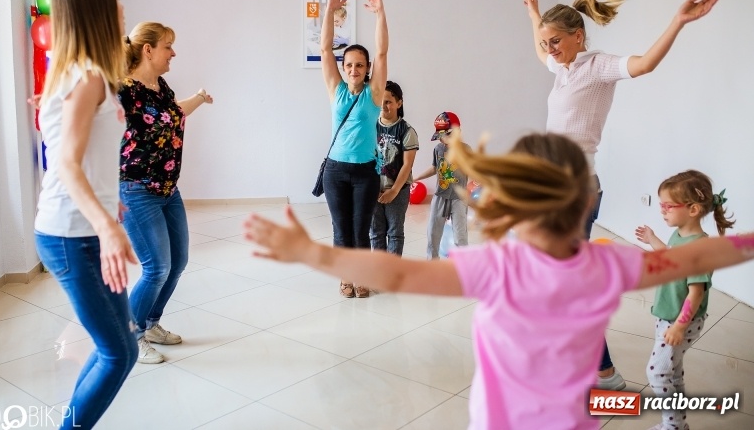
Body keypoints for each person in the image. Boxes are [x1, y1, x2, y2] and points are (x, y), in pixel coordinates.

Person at [244, 131, 754, 430]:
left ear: (510, 200)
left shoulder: (497, 266)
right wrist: (748, 243)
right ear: (584, 203)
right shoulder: (608, 264)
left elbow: (395, 270)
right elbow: (694, 258)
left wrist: (313, 253)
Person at [523, 0, 721, 389]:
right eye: (546, 43)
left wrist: (678, 21)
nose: (550, 49)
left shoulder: (598, 67)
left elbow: (646, 63)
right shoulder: (561, 67)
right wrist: (535, 16)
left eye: (556, 41)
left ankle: (602, 372)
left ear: (579, 35)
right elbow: (542, 48)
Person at [33, 0, 137, 429]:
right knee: (118, 352)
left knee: (118, 347)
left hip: (81, 228)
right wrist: (107, 226)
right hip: (70, 234)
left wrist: (106, 203)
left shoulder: (90, 73)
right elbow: (67, 164)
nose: (122, 5)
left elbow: (83, 156)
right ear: (97, 8)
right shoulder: (88, 76)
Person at [120, 22, 214, 364]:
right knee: (156, 267)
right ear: (148, 50)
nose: (173, 52)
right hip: (136, 190)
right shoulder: (124, 90)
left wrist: (201, 98)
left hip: (168, 189)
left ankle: (150, 322)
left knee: (178, 262)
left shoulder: (158, 85)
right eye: (167, 46)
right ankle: (130, 335)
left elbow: (172, 115)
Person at [635, 170, 735, 430]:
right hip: (668, 316)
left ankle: (672, 426)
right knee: (672, 372)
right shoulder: (680, 235)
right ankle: (677, 424)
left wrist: (679, 326)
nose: (662, 211)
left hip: (681, 321)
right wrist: (652, 239)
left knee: (657, 372)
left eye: (668, 206)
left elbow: (696, 292)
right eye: (661, 205)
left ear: (693, 209)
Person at [319, 0, 388, 299]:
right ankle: (345, 278)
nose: (354, 69)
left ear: (367, 69)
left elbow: (383, 51)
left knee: (362, 230)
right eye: (349, 65)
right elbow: (324, 49)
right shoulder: (337, 90)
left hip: (365, 172)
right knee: (341, 229)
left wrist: (380, 15)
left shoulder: (374, 95)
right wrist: (331, 10)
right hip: (336, 170)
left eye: (360, 65)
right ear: (343, 69)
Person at [370, 80, 419, 257]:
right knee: (376, 232)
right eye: (380, 102)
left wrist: (394, 190)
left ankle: (392, 273)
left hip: (398, 191)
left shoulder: (406, 131)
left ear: (399, 103)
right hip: (373, 189)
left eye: (388, 101)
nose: (384, 106)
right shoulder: (371, 127)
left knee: (395, 233)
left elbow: (407, 164)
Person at [415, 112, 469, 260]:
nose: (442, 139)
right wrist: (417, 177)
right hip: (440, 196)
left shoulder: (465, 150)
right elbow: (434, 168)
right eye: (440, 136)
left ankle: (463, 266)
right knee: (433, 233)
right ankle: (432, 263)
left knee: (460, 236)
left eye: (446, 135)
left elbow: (474, 169)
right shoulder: (438, 149)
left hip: (459, 198)